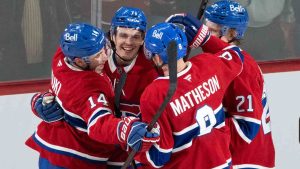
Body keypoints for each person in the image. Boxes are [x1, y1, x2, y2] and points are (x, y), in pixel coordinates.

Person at [26, 23, 159, 169]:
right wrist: (125, 129)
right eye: (97, 56)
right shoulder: (86, 87)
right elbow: (99, 123)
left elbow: (57, 90)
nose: (104, 57)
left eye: (104, 48)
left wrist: (39, 100)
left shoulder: (62, 55)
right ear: (79, 61)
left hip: (52, 147)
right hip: (73, 160)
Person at [167, 0, 275, 168]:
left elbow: (247, 129)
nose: (204, 35)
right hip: (228, 159)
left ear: (231, 33)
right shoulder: (215, 62)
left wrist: (198, 129)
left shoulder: (243, 68)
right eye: (205, 29)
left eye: (211, 31)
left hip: (247, 161)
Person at [134, 22, 244, 168]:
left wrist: (133, 146)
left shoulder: (154, 94)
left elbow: (159, 157)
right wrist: (205, 37)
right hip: (222, 163)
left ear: (158, 58)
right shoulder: (208, 63)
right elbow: (236, 54)